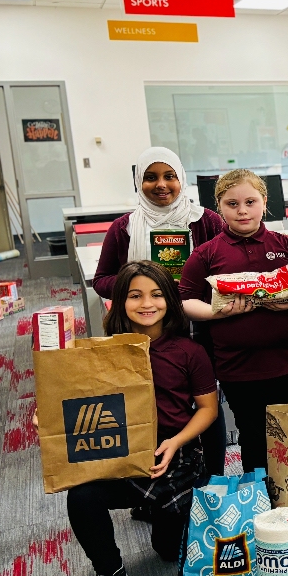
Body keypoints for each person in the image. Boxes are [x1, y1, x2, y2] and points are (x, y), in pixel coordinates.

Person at [65, 261, 219, 576]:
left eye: (157, 294)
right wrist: (51, 417)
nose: (146, 303)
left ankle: (156, 510)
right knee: (82, 496)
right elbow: (75, 403)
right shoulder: (103, 353)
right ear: (120, 302)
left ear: (171, 300)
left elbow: (208, 409)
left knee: (167, 552)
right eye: (135, 295)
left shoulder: (189, 352)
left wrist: (177, 441)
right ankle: (110, 573)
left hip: (175, 459)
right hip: (123, 459)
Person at [92, 147, 227, 475]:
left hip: (199, 325)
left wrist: (192, 289)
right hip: (147, 329)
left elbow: (226, 269)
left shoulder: (206, 221)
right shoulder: (125, 228)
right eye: (150, 177)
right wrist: (141, 289)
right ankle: (153, 478)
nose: (161, 184)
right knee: (151, 403)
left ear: (181, 179)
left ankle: (212, 480)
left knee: (208, 402)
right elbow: (101, 280)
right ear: (139, 182)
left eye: (170, 176)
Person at [178, 169, 288, 474]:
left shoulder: (287, 245)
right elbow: (185, 300)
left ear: (264, 202)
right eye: (232, 204)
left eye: (250, 201)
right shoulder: (207, 253)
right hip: (238, 367)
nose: (242, 211)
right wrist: (219, 312)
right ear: (219, 206)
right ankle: (260, 505)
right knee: (254, 436)